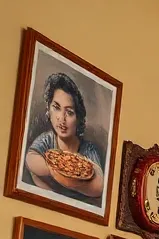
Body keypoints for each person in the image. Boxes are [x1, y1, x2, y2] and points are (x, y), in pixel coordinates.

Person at [23, 72, 105, 202]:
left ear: (78, 118)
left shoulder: (87, 149)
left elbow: (99, 186)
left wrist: (73, 181)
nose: (62, 118)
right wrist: (57, 170)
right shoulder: (47, 139)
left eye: (69, 112)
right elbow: (30, 158)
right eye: (56, 107)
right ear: (48, 109)